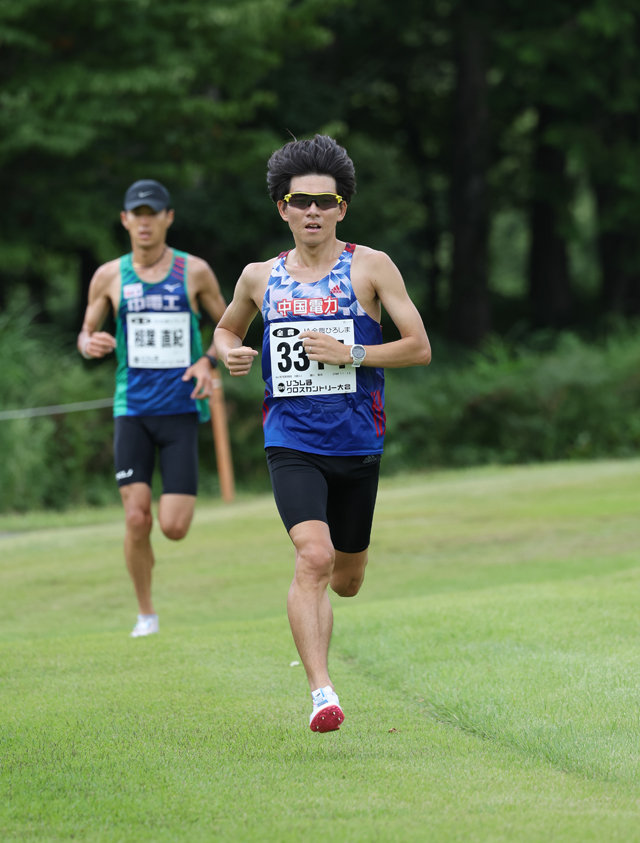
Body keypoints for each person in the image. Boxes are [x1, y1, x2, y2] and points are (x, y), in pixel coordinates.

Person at [214, 135, 431, 732]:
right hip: (291, 441)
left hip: (358, 442)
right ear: (281, 207)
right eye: (300, 200)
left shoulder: (371, 266)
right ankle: (322, 693)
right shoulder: (259, 277)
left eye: (325, 201)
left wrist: (351, 351)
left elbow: (419, 348)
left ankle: (338, 589)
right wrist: (230, 352)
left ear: (342, 207)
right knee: (313, 557)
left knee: (348, 578)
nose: (312, 211)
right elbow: (227, 330)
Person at [77, 179, 227, 637]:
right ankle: (146, 613)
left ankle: (160, 557)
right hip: (133, 411)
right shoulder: (108, 276)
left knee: (174, 527)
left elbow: (228, 329)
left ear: (168, 218)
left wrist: (207, 361)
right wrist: (90, 343)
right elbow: (84, 334)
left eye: (153, 213)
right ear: (125, 220)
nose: (144, 221)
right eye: (136, 213)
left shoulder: (195, 271)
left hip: (181, 411)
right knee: (136, 516)